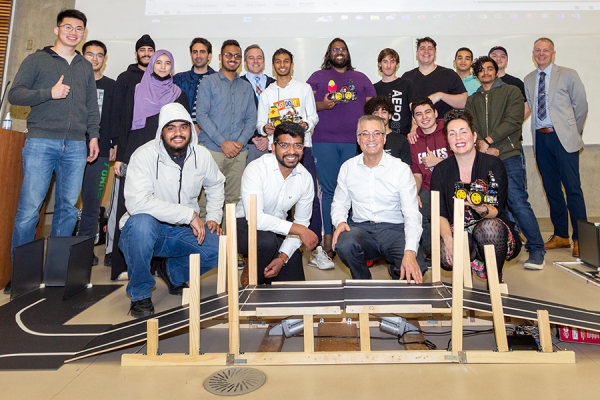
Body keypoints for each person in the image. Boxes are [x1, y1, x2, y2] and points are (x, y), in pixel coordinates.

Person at [8, 9, 100, 294]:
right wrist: (49, 93)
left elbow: (90, 107)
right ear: (57, 29)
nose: (74, 32)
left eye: (79, 28)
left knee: (68, 211)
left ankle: (57, 274)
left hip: (75, 145)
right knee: (29, 210)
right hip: (41, 142)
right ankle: (22, 275)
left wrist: (93, 136)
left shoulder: (85, 66)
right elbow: (16, 94)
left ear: (84, 33)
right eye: (69, 27)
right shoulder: (37, 59)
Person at [119, 103, 224, 318]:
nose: (178, 133)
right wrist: (188, 214)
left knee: (221, 248)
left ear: (191, 130)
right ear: (161, 131)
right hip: (147, 229)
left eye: (183, 127)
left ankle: (172, 273)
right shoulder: (143, 156)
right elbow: (137, 203)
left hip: (182, 230)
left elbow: (216, 184)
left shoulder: (202, 155)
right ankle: (140, 294)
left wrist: (213, 216)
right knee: (140, 224)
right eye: (171, 127)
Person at [111, 50, 190, 282]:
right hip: (136, 154)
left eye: (168, 63)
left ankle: (160, 266)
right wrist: (121, 158)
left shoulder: (178, 94)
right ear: (151, 65)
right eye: (159, 62)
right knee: (130, 206)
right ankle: (125, 264)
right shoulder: (136, 90)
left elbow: (182, 131)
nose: (163, 67)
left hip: (165, 158)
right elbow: (126, 123)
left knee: (164, 207)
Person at [465, 56, 545, 270]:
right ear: (476, 74)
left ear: (497, 69)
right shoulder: (472, 99)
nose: (485, 73)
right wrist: (482, 144)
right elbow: (470, 124)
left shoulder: (511, 91)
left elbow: (513, 121)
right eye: (480, 70)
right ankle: (495, 249)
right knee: (486, 204)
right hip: (483, 157)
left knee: (517, 201)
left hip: (508, 154)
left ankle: (537, 249)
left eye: (489, 68)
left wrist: (490, 141)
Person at [256, 48, 328, 270]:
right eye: (278, 62)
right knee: (276, 199)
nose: (282, 65)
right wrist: (265, 127)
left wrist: (305, 125)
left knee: (309, 199)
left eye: (286, 61)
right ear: (273, 65)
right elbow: (260, 123)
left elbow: (313, 116)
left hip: (301, 149)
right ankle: (275, 246)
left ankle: (315, 248)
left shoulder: (304, 88)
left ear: (292, 64)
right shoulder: (267, 93)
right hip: (276, 151)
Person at [332, 115, 425, 282]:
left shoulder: (401, 169)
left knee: (415, 266)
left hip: (395, 230)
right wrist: (340, 222)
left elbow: (412, 213)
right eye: (365, 134)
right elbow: (339, 203)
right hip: (362, 230)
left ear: (384, 138)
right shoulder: (348, 168)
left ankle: (398, 276)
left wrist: (410, 251)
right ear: (358, 139)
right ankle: (362, 284)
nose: (371, 139)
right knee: (345, 243)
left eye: (376, 133)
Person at [430, 110, 520, 281]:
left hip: (490, 227)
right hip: (457, 228)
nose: (458, 137)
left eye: (463, 131)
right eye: (452, 133)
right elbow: (439, 213)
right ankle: (464, 282)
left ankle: (495, 280)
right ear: (447, 141)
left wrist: (480, 208)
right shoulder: (441, 171)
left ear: (474, 135)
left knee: (488, 229)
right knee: (443, 252)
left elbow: (496, 210)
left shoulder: (493, 165)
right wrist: (448, 239)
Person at [307, 38, 376, 259]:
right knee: (328, 191)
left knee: (353, 191)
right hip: (324, 141)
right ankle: (329, 239)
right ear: (329, 53)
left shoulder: (361, 78)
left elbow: (373, 109)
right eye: (335, 49)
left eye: (343, 49)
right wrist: (322, 105)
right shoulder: (317, 77)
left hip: (354, 142)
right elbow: (305, 104)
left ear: (347, 53)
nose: (339, 52)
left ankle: (355, 238)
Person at [524, 38, 588, 258]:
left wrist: (571, 131)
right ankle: (561, 235)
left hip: (563, 139)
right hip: (541, 141)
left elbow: (581, 106)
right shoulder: (529, 79)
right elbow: (532, 108)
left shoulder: (568, 74)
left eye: (546, 50)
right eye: (538, 50)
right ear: (533, 53)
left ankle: (581, 238)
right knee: (551, 189)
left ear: (553, 53)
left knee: (572, 189)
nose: (541, 53)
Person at [236, 122, 318, 285]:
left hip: (278, 228)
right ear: (273, 147)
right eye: (284, 145)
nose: (292, 152)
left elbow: (302, 222)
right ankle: (252, 273)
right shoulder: (256, 169)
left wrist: (282, 257)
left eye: (297, 146)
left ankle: (269, 261)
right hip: (245, 224)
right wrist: (299, 229)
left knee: (295, 291)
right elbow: (256, 219)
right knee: (266, 242)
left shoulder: (306, 179)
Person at [105, 34, 155, 269]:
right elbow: (117, 114)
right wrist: (117, 145)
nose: (146, 53)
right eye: (142, 49)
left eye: (150, 50)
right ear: (136, 53)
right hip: (129, 146)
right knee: (124, 203)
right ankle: (119, 259)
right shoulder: (125, 78)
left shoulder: (161, 78)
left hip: (154, 150)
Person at [196, 39, 257, 225]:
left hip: (239, 153)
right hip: (212, 150)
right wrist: (223, 142)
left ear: (241, 60)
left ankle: (228, 250)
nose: (233, 59)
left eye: (237, 56)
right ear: (221, 57)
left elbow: (251, 120)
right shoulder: (208, 82)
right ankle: (207, 249)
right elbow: (201, 115)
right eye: (229, 55)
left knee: (233, 203)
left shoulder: (246, 87)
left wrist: (239, 143)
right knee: (207, 201)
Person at [77, 40, 115, 266]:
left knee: (91, 204)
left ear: (105, 59)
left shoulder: (111, 86)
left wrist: (112, 144)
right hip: (71, 148)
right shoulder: (74, 83)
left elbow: (112, 118)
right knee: (68, 203)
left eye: (99, 55)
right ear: (82, 57)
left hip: (99, 153)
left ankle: (84, 249)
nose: (94, 59)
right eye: (90, 54)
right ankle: (62, 251)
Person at [409, 97, 450, 260]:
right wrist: (414, 193)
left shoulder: (449, 131)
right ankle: (435, 252)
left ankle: (451, 247)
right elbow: (417, 174)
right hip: (427, 189)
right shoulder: (413, 141)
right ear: (414, 119)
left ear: (435, 113)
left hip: (451, 188)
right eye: (419, 114)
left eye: (428, 112)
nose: (424, 117)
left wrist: (438, 162)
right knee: (415, 209)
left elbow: (463, 163)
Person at [401, 37, 467, 121]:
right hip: (415, 132)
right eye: (422, 48)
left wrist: (440, 95)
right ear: (417, 53)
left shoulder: (449, 74)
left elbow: (464, 102)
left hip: (444, 131)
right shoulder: (407, 77)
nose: (426, 51)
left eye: (430, 48)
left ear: (435, 53)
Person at [240, 44, 275, 163]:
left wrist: (267, 137)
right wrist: (252, 137)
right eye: (251, 58)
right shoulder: (237, 84)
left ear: (264, 61)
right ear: (245, 62)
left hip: (272, 143)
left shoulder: (274, 85)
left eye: (259, 57)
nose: (255, 61)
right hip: (247, 144)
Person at [173, 37, 215, 127]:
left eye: (202, 52)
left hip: (212, 134)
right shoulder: (179, 79)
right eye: (195, 52)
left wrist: (201, 127)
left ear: (209, 55)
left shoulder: (218, 79)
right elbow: (174, 110)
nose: (198, 56)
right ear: (191, 54)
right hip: (185, 131)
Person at [373, 48, 415, 136]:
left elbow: (415, 109)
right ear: (379, 64)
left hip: (404, 136)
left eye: (392, 61)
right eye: (385, 61)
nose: (388, 66)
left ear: (397, 64)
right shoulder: (374, 88)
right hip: (381, 137)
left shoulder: (407, 84)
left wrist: (414, 129)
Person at [363, 96, 411, 165]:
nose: (380, 116)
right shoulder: (365, 139)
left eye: (384, 112)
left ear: (390, 115)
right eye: (375, 112)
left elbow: (406, 170)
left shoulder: (401, 141)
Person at [488, 46, 530, 119]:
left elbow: (527, 106)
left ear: (507, 61)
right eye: (494, 56)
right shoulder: (482, 82)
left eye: (502, 56)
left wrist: (514, 124)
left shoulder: (516, 83)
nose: (498, 59)